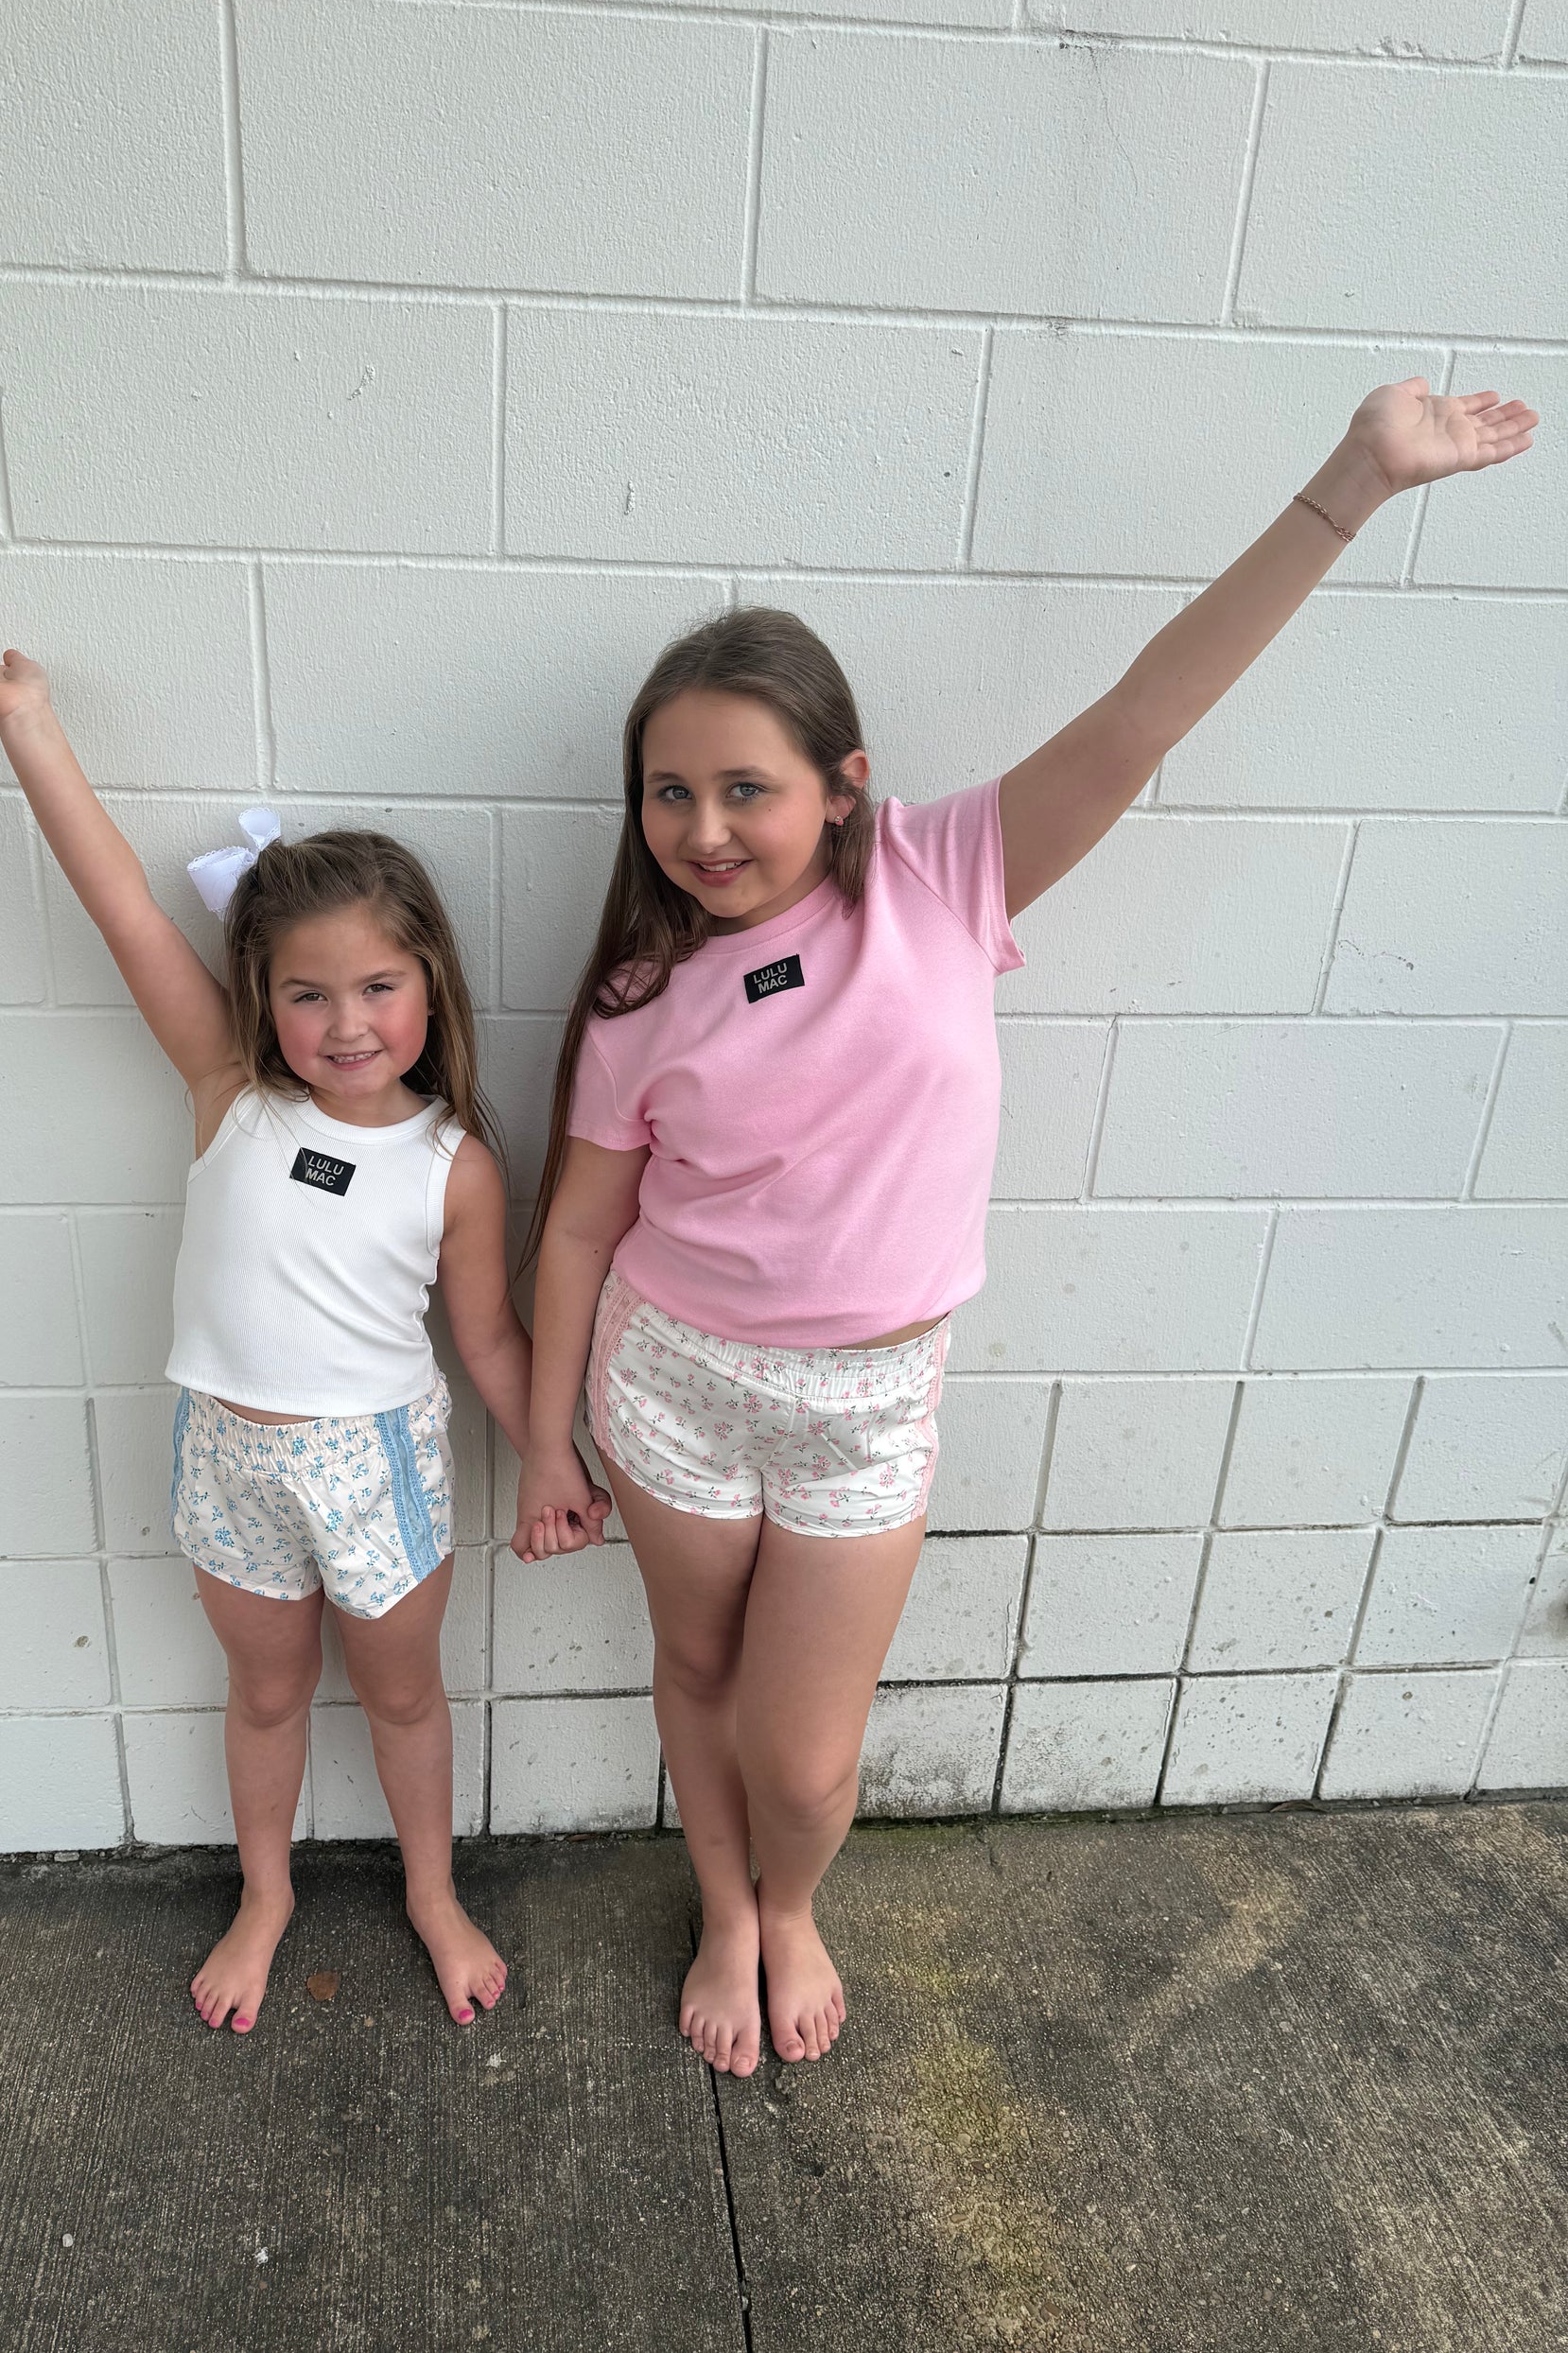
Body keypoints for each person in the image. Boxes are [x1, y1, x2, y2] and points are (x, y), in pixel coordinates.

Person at [513, 375, 1538, 2079]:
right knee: (691, 1670)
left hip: (865, 1404)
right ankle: (723, 1912)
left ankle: (791, 1899)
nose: (702, 830)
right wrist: (550, 1441)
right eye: (666, 794)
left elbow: (1144, 714)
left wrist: (1349, 486)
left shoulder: (941, 875)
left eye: (744, 788)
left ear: (842, 785)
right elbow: (570, 1236)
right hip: (672, 1380)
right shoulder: (641, 994)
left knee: (804, 1757)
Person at [0, 650, 600, 2032]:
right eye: (308, 994)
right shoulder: (229, 1091)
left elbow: (487, 1336)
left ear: (429, 986)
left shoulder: (453, 1165)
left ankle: (432, 1894)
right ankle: (264, 1895)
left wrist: (555, 1459)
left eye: (377, 987)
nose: (345, 1024)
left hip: (376, 1467)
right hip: (223, 1455)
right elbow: (121, 905)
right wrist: (29, 725)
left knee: (403, 1701)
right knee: (266, 1693)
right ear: (261, 996)